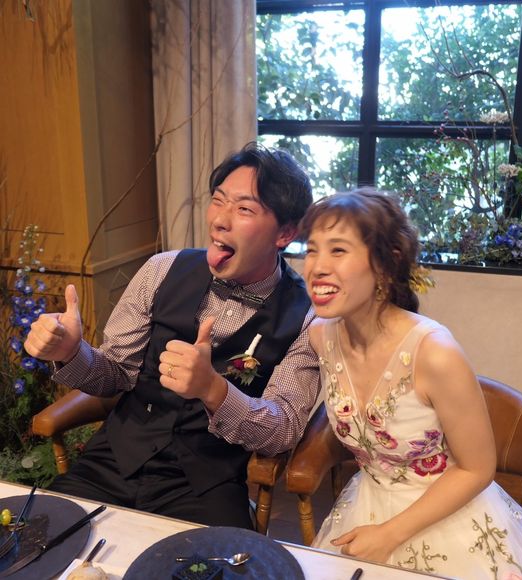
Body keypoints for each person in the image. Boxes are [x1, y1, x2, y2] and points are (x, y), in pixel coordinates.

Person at [24, 142, 320, 529]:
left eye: (244, 209)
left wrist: (214, 390)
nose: (220, 220)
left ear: (285, 232)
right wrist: (70, 351)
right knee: (39, 541)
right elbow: (115, 375)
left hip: (205, 484)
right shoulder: (161, 270)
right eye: (218, 200)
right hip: (111, 463)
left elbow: (283, 430)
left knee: (229, 561)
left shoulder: (307, 317)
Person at [300, 188, 522, 578]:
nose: (317, 266)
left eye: (338, 250)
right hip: (366, 504)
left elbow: (477, 469)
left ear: (386, 264)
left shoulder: (434, 352)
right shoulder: (321, 335)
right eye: (312, 250)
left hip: (446, 515)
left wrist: (389, 534)